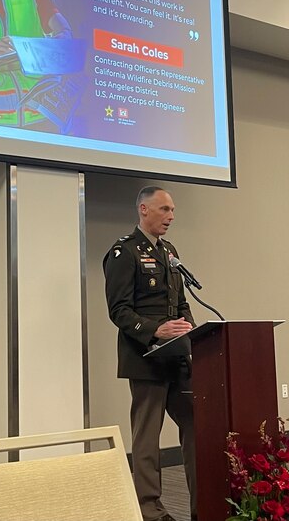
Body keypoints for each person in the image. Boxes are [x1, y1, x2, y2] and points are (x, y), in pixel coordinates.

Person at [103, 186, 197, 521]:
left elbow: (182, 303)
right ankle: (150, 511)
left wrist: (192, 333)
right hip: (145, 358)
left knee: (197, 428)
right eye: (164, 210)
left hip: (178, 358)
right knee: (147, 438)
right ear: (144, 209)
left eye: (172, 211)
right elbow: (119, 310)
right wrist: (155, 330)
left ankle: (205, 505)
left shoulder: (170, 251)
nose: (171, 217)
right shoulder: (123, 253)